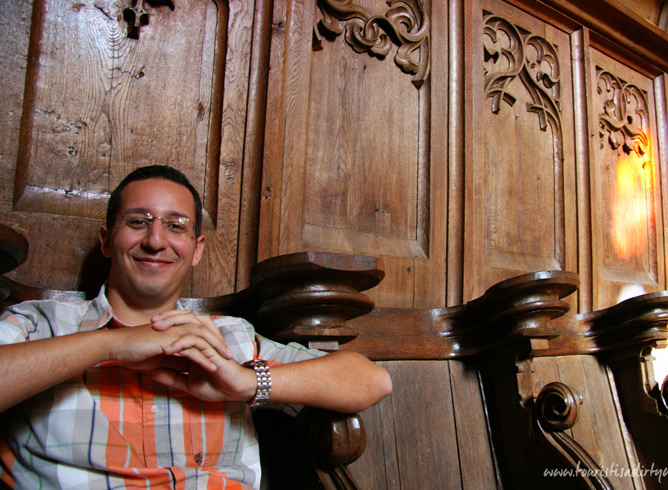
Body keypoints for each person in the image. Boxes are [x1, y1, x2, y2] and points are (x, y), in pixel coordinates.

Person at [0, 165, 392, 489]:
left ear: (197, 249)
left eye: (176, 226)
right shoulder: (42, 323)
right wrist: (112, 345)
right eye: (138, 221)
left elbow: (371, 381)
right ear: (107, 241)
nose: (156, 240)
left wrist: (246, 383)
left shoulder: (231, 337)